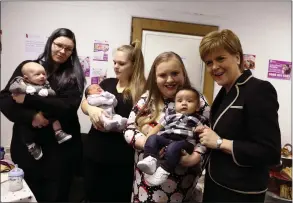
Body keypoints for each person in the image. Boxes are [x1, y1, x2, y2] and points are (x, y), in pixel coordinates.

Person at [0, 28, 85, 202]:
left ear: (72, 52)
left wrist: (26, 98)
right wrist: (32, 116)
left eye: (68, 49)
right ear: (50, 43)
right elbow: (5, 99)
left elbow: (67, 108)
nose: (62, 51)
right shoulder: (30, 66)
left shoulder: (74, 76)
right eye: (58, 45)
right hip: (27, 150)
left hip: (60, 154)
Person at [196, 29, 281, 202]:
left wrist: (220, 143)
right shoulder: (224, 93)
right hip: (215, 184)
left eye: (220, 58)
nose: (214, 67)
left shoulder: (259, 90)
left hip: (240, 193)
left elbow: (270, 152)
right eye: (209, 62)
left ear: (237, 57)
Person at [124, 51, 210, 202]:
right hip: (145, 186)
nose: (170, 80)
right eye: (163, 75)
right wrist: (149, 142)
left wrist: (195, 157)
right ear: (154, 78)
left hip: (182, 185)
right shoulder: (146, 99)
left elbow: (207, 136)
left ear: (183, 73)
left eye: (175, 73)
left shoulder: (199, 101)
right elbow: (128, 128)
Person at [81, 40, 146, 202]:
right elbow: (84, 103)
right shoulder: (106, 84)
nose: (116, 66)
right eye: (114, 62)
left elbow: (144, 124)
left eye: (121, 63)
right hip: (94, 153)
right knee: (92, 195)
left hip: (121, 159)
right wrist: (90, 109)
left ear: (134, 65)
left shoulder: (142, 91)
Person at [137, 87, 209, 186]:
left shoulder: (199, 119)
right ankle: (150, 159)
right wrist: (149, 137)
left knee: (173, 147)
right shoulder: (169, 116)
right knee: (153, 138)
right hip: (166, 139)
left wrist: (200, 130)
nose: (184, 103)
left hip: (185, 143)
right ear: (175, 105)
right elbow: (158, 127)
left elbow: (204, 135)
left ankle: (164, 170)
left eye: (189, 101)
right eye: (180, 101)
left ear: (197, 107)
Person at [9, 62, 72, 160]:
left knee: (53, 118)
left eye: (44, 74)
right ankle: (31, 145)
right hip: (27, 113)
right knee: (24, 129)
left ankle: (59, 133)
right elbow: (12, 89)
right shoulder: (21, 82)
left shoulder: (45, 84)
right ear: (26, 78)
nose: (42, 76)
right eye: (37, 74)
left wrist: (47, 92)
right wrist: (24, 88)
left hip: (44, 112)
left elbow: (53, 94)